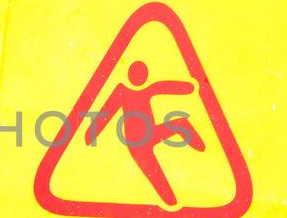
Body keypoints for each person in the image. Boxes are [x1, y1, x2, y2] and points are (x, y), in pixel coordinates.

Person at [83, 60, 204, 206]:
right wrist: (91, 133)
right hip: (137, 142)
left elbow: (164, 87)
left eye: (142, 73)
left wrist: (190, 87)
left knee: (180, 124)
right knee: (155, 174)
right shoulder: (122, 91)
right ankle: (170, 202)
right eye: (137, 73)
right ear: (129, 75)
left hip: (150, 134)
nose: (139, 77)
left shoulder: (148, 89)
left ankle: (201, 148)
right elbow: (106, 112)